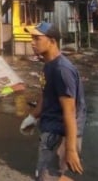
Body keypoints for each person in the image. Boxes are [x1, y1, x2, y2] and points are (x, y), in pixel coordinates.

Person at [21, 22, 86, 180]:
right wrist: (33, 116)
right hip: (50, 129)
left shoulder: (61, 70)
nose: (32, 42)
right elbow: (46, 94)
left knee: (46, 177)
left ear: (52, 41)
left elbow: (69, 111)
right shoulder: (48, 65)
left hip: (60, 134)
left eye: (37, 38)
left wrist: (70, 149)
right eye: (31, 38)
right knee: (51, 177)